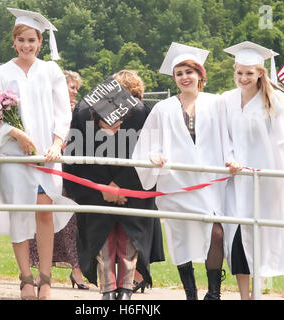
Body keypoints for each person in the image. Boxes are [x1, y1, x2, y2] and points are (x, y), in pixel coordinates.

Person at [0, 8, 73, 300]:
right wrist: (18, 135)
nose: (26, 45)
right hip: (13, 154)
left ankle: (45, 278)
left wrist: (57, 144)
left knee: (44, 211)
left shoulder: (51, 71)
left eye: (32, 40)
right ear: (14, 41)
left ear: (39, 42)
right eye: (21, 39)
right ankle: (25, 278)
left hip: (46, 153)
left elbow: (63, 112)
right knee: (19, 212)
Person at [131, 42, 228, 300]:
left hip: (210, 183)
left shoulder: (217, 103)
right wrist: (153, 156)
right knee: (180, 237)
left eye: (190, 71)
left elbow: (230, 138)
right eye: (180, 73)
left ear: (200, 75)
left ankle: (214, 293)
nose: (185, 77)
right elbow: (146, 146)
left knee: (216, 232)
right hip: (175, 184)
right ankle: (191, 294)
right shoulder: (163, 109)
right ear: (174, 78)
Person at [221, 41, 284, 300]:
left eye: (249, 73)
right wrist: (230, 159)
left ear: (260, 73)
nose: (243, 78)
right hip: (237, 180)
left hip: (267, 181)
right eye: (239, 72)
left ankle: (258, 291)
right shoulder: (226, 100)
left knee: (262, 236)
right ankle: (244, 296)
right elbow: (223, 136)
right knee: (238, 237)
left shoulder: (276, 100)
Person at [63, 70, 159, 300]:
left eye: (119, 124)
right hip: (96, 190)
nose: (115, 128)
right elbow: (76, 158)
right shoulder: (84, 114)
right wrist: (103, 188)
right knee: (102, 234)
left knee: (128, 234)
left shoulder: (140, 114)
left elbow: (147, 153)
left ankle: (123, 288)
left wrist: (119, 185)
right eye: (109, 124)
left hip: (131, 188)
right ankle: (110, 288)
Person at [29, 69, 89, 290]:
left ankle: (76, 269)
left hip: (73, 174)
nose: (73, 91)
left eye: (76, 88)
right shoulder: (47, 109)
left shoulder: (82, 110)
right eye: (70, 87)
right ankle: (42, 273)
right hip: (49, 170)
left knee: (72, 225)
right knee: (42, 219)